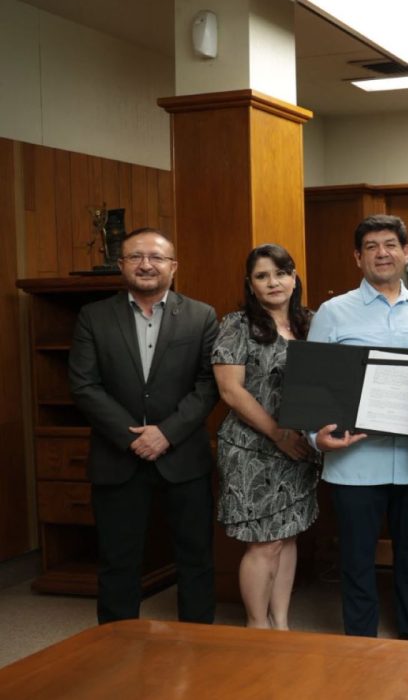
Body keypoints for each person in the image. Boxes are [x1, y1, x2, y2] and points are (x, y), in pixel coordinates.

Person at [68, 227, 219, 624]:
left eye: (156, 257)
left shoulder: (202, 315)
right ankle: (116, 655)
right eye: (135, 256)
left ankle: (202, 650)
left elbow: (208, 384)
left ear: (173, 266)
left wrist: (165, 433)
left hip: (184, 456)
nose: (146, 264)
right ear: (121, 266)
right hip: (117, 459)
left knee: (196, 559)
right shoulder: (94, 317)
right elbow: (84, 385)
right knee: (118, 563)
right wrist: (132, 437)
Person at [307, 215, 408, 641]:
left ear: (407, 253)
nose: (382, 253)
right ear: (357, 257)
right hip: (355, 461)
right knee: (356, 556)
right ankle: (361, 639)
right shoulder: (332, 313)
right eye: (371, 246)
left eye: (390, 244)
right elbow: (313, 384)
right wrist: (315, 437)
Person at [212, 244, 319, 630]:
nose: (273, 282)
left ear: (294, 278)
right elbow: (230, 391)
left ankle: (282, 623)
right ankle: (257, 627)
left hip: (301, 448)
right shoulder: (236, 325)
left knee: (288, 537)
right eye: (262, 275)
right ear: (250, 285)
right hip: (251, 448)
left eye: (281, 272)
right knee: (263, 542)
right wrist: (277, 434)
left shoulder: (313, 322)